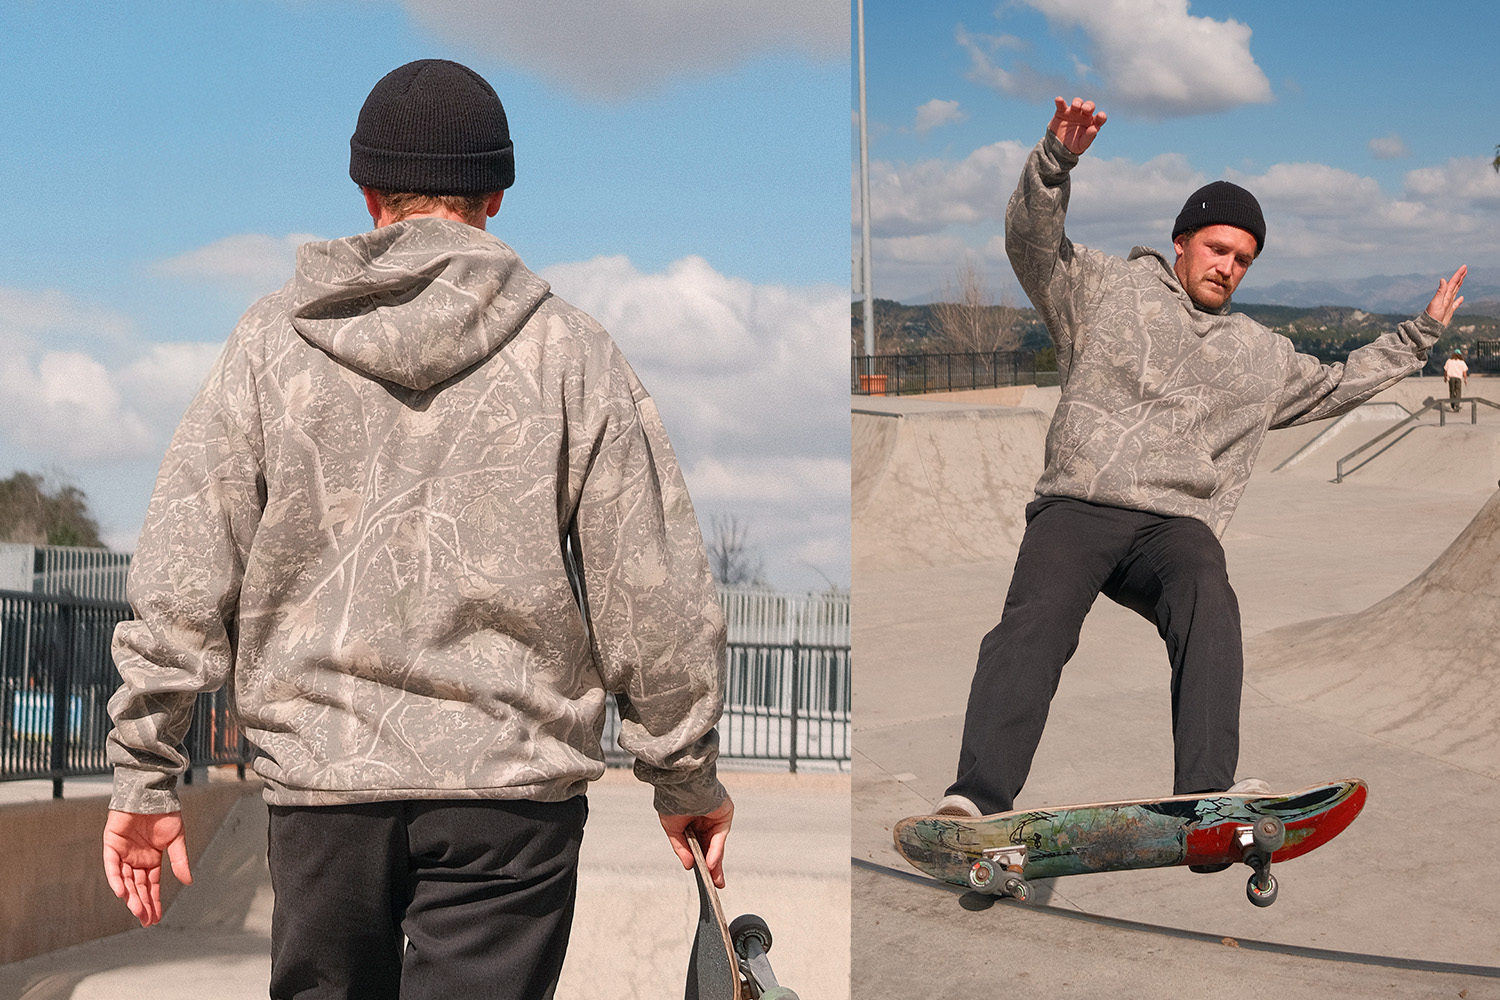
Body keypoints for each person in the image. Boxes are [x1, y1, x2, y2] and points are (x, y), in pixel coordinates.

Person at [101, 58, 733, 999]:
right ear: (497, 196)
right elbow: (650, 590)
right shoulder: (571, 352)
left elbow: (187, 567)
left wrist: (144, 774)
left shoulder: (272, 344)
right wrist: (684, 778)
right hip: (510, 797)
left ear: (367, 196)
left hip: (324, 786)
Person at [937, 97, 1466, 827]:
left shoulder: (1261, 353)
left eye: (1244, 260)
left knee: (1210, 594)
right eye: (1219, 249)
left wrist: (1419, 337)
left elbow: (1340, 385)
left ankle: (1204, 797)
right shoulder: (1102, 289)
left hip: (1172, 527)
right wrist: (1055, 162)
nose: (1229, 268)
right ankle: (975, 799)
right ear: (1181, 241)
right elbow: (1030, 244)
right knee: (1036, 620)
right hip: (1080, 502)